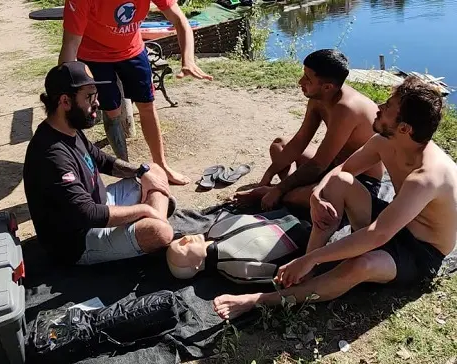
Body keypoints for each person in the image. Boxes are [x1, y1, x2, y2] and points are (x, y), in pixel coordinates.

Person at [213, 76, 457, 319]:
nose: (379, 107)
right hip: (393, 221)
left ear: (404, 128)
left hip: (420, 251)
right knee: (338, 183)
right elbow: (343, 170)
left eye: (388, 107)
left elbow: (378, 234)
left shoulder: (426, 177)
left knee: (362, 264)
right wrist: (318, 194)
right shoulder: (385, 140)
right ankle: (306, 271)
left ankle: (262, 300)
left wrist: (313, 258)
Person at [23, 61, 175, 265]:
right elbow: (87, 214)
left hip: (101, 204)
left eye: (95, 95)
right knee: (161, 232)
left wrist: (142, 172)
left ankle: (149, 221)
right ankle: (152, 221)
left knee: (154, 170)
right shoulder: (50, 155)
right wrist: (145, 210)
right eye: (89, 97)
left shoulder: (68, 127)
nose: (96, 103)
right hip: (78, 240)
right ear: (65, 101)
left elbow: (103, 160)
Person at [58, 0, 213, 185]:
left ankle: (161, 165)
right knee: (112, 111)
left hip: (132, 51)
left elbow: (180, 20)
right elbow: (70, 44)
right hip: (94, 55)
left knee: (147, 105)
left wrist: (188, 60)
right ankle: (127, 170)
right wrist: (65, 87)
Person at [234, 49, 384, 211]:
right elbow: (300, 141)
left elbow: (319, 163)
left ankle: (283, 195)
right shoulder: (319, 97)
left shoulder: (346, 109)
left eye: (307, 79)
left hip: (357, 180)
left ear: (327, 87)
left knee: (315, 196)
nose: (300, 81)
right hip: (331, 165)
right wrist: (267, 176)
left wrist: (279, 189)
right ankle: (286, 193)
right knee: (280, 145)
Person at [166, 211, 311, 283]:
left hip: (289, 215)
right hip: (307, 236)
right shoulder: (233, 266)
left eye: (179, 240)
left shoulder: (216, 229)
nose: (185, 239)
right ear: (196, 266)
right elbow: (275, 275)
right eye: (182, 247)